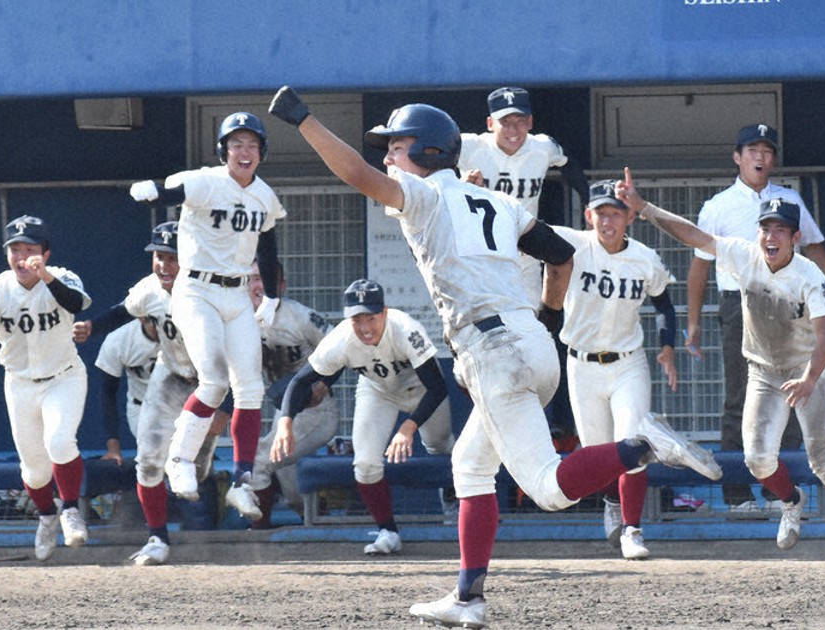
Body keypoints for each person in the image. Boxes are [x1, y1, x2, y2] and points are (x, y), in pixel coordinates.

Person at [269, 86, 721, 628]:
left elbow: (358, 176)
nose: (388, 154)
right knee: (470, 466)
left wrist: (304, 121)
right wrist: (550, 319)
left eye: (397, 144)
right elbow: (561, 255)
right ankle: (468, 599)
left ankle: (642, 444)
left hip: (492, 350)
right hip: (529, 339)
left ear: (430, 152)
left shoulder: (429, 195)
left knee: (550, 490)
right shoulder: (496, 200)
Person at [620, 172, 825, 561]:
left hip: (805, 371)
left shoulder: (810, 275)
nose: (771, 237)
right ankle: (791, 501)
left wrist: (808, 380)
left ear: (795, 238)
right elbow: (695, 236)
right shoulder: (744, 255)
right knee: (756, 460)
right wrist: (645, 209)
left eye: (781, 230)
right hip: (763, 372)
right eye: (766, 228)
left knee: (823, 461)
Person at [128, 112, 287, 514]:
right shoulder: (206, 180)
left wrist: (269, 297)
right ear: (223, 151)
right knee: (214, 380)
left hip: (236, 295)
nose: (244, 151)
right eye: (236, 144)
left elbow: (267, 250)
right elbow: (172, 191)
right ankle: (180, 460)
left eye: (251, 144)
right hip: (196, 289)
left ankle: (242, 480)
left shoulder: (264, 195)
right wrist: (151, 190)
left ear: (262, 151)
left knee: (250, 389)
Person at [686, 123, 825, 515]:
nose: (760, 157)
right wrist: (692, 322)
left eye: (767, 151)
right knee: (740, 397)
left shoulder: (788, 200)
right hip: (740, 305)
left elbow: (813, 245)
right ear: (737, 157)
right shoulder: (718, 206)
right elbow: (700, 267)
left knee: (793, 392)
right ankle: (737, 495)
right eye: (751, 150)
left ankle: (781, 494)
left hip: (792, 306)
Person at [73, 222, 227, 565]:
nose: (164, 265)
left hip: (210, 378)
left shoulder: (212, 287)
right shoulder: (150, 290)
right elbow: (121, 312)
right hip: (170, 374)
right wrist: (92, 327)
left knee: (196, 476)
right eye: (159, 256)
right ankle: (158, 537)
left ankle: (199, 448)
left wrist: (226, 404)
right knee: (148, 463)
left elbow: (236, 349)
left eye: (173, 257)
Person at [271, 279, 454, 554]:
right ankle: (388, 532)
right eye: (357, 318)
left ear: (385, 312)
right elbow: (299, 382)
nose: (365, 327)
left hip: (421, 390)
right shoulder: (342, 338)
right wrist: (285, 422)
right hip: (377, 390)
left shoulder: (405, 329)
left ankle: (453, 497)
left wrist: (409, 426)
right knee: (365, 464)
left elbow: (438, 387)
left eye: (371, 317)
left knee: (440, 447)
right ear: (348, 318)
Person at [553, 180, 679, 560]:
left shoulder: (644, 258)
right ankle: (612, 501)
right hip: (582, 364)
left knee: (632, 443)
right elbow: (520, 226)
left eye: (616, 213)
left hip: (628, 363)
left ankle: (633, 529)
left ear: (630, 218)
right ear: (588, 216)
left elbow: (664, 306)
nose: (608, 221)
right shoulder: (571, 245)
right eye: (601, 213)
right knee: (599, 453)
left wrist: (668, 348)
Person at [0, 215, 92, 561]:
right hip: (20, 383)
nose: (22, 258)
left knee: (60, 442)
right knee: (34, 469)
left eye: (30, 249)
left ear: (45, 253)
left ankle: (71, 510)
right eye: (15, 250)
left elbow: (76, 304)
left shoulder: (62, 277)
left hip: (64, 376)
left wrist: (45, 276)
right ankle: (47, 517)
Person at [459, 86, 588, 444]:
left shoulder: (542, 147)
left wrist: (589, 201)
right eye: (505, 123)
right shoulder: (469, 147)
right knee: (482, 336)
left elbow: (570, 165)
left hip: (525, 253)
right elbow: (429, 171)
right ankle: (488, 407)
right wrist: (461, 185)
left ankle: (533, 417)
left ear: (530, 121)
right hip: (482, 257)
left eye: (519, 121)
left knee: (531, 336)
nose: (513, 130)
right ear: (490, 123)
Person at [246, 261, 341, 528]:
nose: (260, 285)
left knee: (259, 461)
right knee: (294, 493)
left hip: (315, 410)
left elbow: (340, 346)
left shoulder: (299, 316)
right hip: (284, 410)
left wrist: (324, 381)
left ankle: (258, 534)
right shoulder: (239, 321)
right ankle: (321, 533)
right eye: (254, 278)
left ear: (282, 286)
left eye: (267, 279)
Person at [93, 319, 158, 464]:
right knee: (154, 458)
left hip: (181, 404)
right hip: (143, 405)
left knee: (196, 463)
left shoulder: (183, 332)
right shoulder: (119, 339)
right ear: (141, 317)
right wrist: (113, 447)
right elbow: (107, 393)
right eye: (151, 320)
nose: (157, 326)